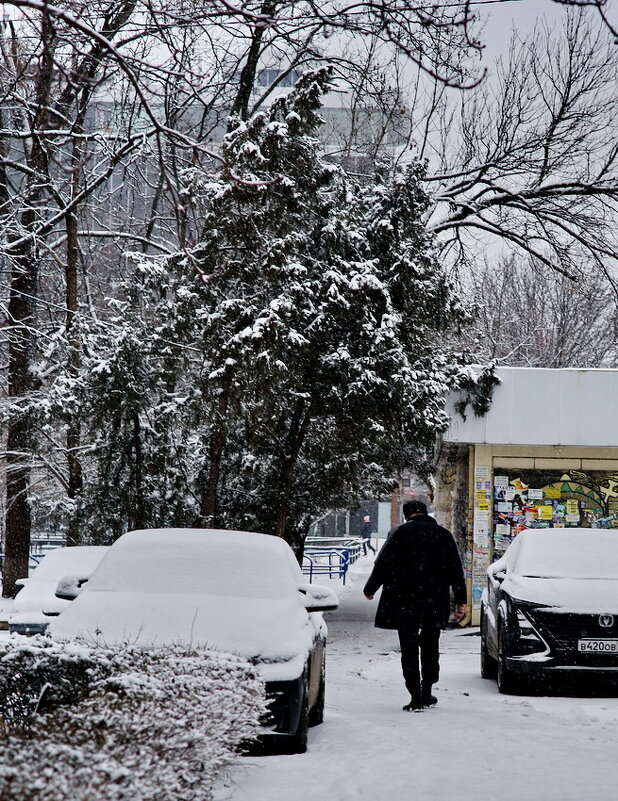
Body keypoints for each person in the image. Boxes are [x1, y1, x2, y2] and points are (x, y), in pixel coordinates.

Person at [363, 500, 468, 711]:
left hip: (404, 599)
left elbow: (383, 563)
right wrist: (460, 599)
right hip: (434, 599)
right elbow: (455, 569)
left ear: (406, 515)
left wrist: (371, 588)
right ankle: (427, 689)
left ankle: (415, 696)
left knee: (408, 648)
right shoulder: (443, 535)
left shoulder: (399, 533)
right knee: (431, 645)